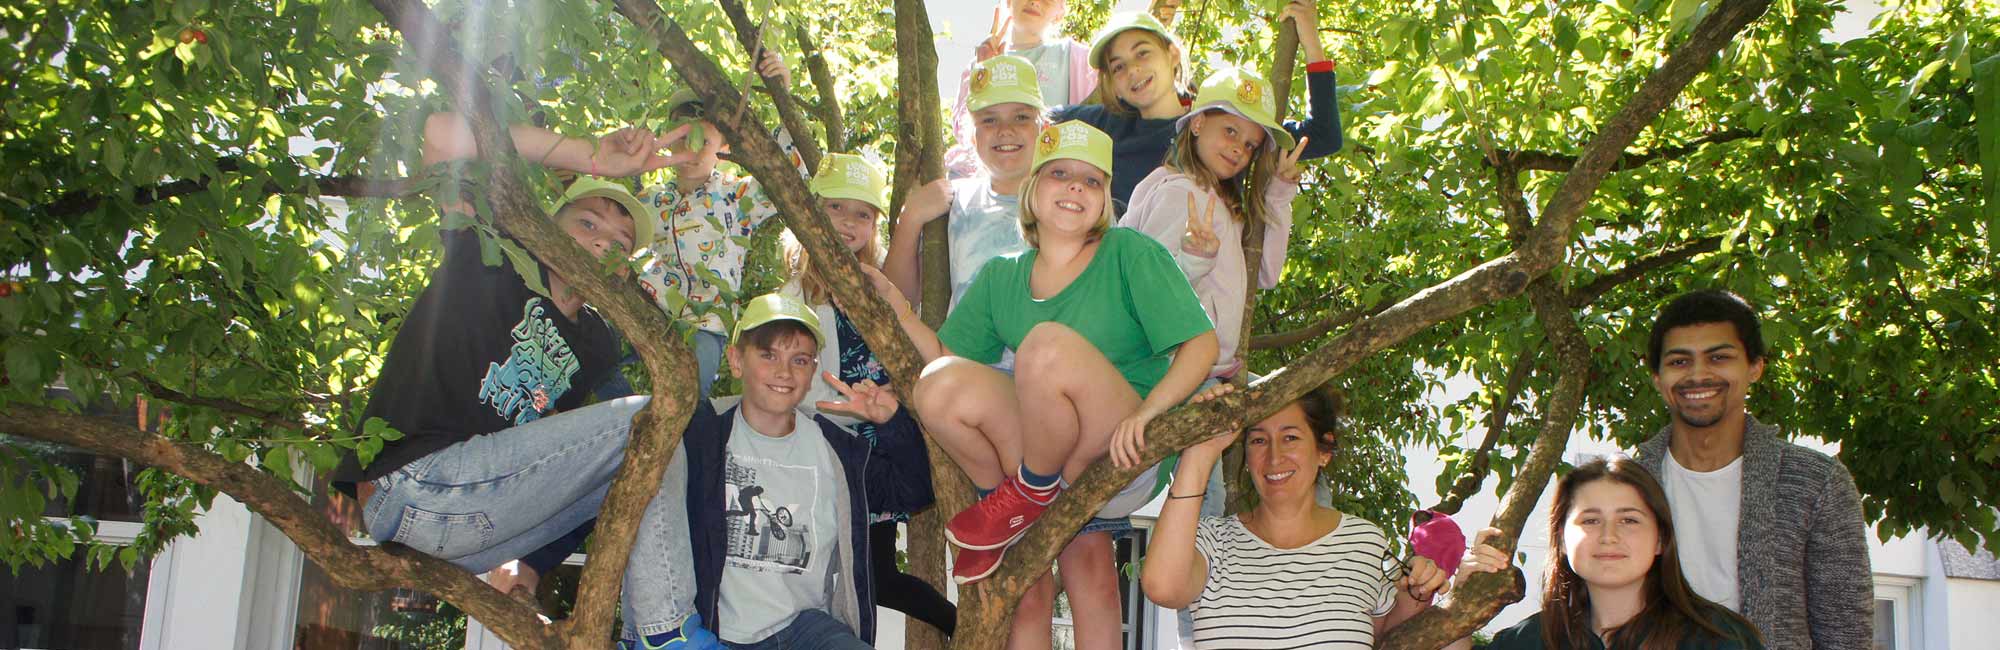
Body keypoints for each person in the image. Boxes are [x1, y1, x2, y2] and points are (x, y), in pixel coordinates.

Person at [326, 110, 725, 644]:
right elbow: (442, 134)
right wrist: (590, 156)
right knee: (651, 420)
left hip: (477, 527)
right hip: (414, 485)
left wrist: (525, 565)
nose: (603, 242)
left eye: (621, 243)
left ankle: (641, 630)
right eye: (587, 223)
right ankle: (665, 632)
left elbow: (556, 461)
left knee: (652, 455)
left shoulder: (597, 343)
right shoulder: (489, 255)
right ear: (545, 227)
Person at [906, 120, 1218, 649]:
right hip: (1046, 454)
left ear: (1104, 202)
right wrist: (893, 307)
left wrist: (1150, 415)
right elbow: (949, 364)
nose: (1075, 187)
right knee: (936, 386)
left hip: (1119, 448)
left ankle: (1026, 490)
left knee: (1045, 347)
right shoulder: (1002, 276)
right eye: (1060, 174)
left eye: (1092, 181)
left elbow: (1202, 346)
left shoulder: (1129, 253)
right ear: (1032, 190)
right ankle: (1006, 498)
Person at [624, 293, 934, 649]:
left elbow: (914, 491)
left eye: (799, 360)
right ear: (736, 360)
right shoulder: (701, 434)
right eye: (768, 354)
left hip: (805, 630)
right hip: (716, 631)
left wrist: (892, 423)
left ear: (813, 371)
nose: (784, 372)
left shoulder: (837, 448)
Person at [1630, 289, 1872, 648]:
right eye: (1679, 361)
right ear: (1657, 378)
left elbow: (1846, 633)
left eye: (1719, 357)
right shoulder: (1628, 482)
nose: (1698, 375)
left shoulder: (1816, 482)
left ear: (1755, 367)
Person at [779, 153, 956, 636]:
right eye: (835, 208)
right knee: (827, 571)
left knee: (873, 576)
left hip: (878, 449)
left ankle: (957, 623)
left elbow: (906, 338)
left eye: (862, 213)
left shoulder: (879, 284)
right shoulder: (794, 296)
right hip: (823, 447)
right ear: (811, 213)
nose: (847, 222)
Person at [1143, 383, 1449, 648]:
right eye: (1259, 440)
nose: (1274, 457)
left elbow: (1381, 635)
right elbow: (1162, 587)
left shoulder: (1363, 541)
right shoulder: (1212, 540)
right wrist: (1201, 450)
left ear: (1323, 451)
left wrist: (1417, 592)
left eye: (1290, 437)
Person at [1450, 457, 1766, 650]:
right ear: (1561, 539)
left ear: (1660, 540)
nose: (1608, 536)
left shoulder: (1721, 639)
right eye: (1590, 520)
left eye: (1629, 520)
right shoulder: (1531, 641)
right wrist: (1460, 606)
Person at [634, 47, 808, 397]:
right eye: (682, 137)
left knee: (686, 399)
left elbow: (792, 174)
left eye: (704, 140)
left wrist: (783, 98)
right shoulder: (649, 201)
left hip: (704, 327)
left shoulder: (736, 197)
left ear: (724, 147)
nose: (692, 148)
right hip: (647, 318)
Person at [1052, 2, 1344, 209]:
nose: (1133, 71)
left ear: (1173, 54)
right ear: (1112, 83)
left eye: (1142, 53)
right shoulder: (1103, 124)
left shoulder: (1218, 124)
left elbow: (1323, 135)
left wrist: (1310, 39)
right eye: (1118, 67)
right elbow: (1030, 118)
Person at [1120, 66, 1309, 382]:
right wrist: (1195, 259)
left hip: (1208, 366)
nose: (1239, 148)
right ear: (1197, 123)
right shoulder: (1181, 194)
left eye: (1250, 145)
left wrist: (1277, 195)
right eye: (1230, 131)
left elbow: (1265, 273)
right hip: (1172, 367)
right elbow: (1146, 292)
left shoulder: (1219, 203)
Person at [887, 54, 1045, 312]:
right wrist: (911, 217)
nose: (1005, 130)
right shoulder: (952, 200)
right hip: (964, 352)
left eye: (1021, 117)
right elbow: (899, 298)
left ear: (1043, 128)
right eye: (989, 120)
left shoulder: (1069, 201)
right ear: (972, 135)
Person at [944, 0, 1097, 179]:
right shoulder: (980, 63)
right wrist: (982, 76)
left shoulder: (1080, 60)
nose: (1034, 2)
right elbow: (965, 134)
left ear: (1060, 10)